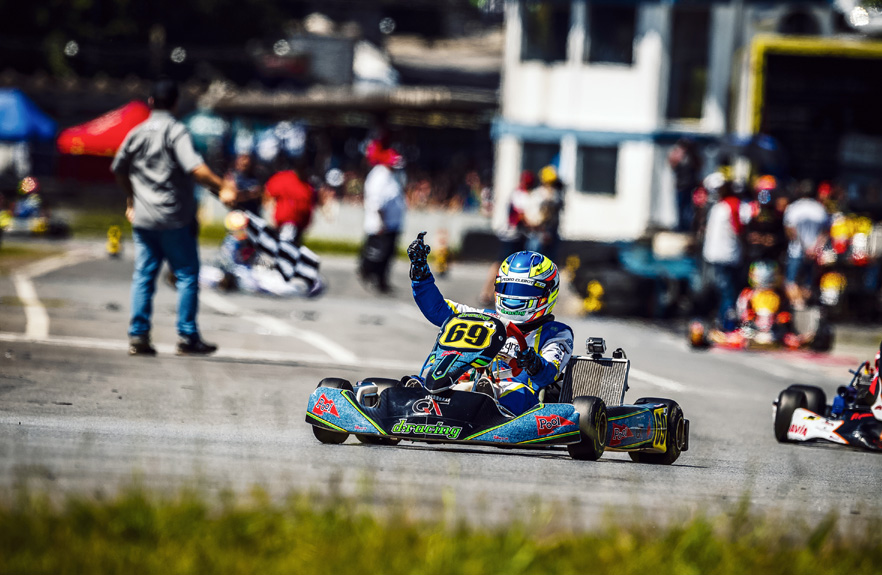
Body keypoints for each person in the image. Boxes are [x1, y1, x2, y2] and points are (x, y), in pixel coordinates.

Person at [112, 78, 238, 357]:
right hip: (173, 218)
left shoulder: (138, 131)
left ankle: (138, 334)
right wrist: (222, 187)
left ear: (150, 102)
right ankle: (187, 335)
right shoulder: (176, 130)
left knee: (144, 276)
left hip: (143, 217)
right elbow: (196, 168)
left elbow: (119, 167)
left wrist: (131, 198)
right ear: (176, 103)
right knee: (187, 275)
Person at [407, 232, 574, 416]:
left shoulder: (557, 333)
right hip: (469, 382)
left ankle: (486, 395)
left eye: (523, 290)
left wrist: (533, 363)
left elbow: (548, 374)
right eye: (507, 288)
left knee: (512, 391)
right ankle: (423, 392)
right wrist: (420, 276)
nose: (513, 296)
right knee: (444, 377)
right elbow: (437, 309)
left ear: (547, 293)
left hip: (521, 397)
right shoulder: (484, 318)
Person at [478, 169, 534, 306]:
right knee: (501, 264)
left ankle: (493, 294)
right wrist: (535, 226)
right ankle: (486, 293)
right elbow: (521, 216)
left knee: (506, 267)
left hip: (514, 235)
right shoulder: (521, 195)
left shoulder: (517, 193)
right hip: (512, 235)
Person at [359, 137, 406, 294]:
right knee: (377, 255)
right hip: (382, 224)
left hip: (391, 223)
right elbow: (377, 201)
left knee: (387, 256)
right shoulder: (380, 175)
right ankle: (374, 278)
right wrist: (381, 223)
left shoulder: (390, 175)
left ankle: (381, 279)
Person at [702, 178, 743, 331]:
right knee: (728, 291)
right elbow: (738, 229)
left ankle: (721, 321)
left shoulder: (717, 207)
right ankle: (727, 325)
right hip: (728, 254)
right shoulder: (731, 205)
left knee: (722, 290)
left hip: (714, 253)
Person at [783, 180, 830, 309]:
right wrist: (815, 247)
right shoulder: (820, 209)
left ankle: (799, 306)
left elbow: (790, 231)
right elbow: (825, 232)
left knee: (791, 281)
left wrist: (803, 246)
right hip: (813, 252)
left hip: (796, 251)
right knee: (808, 282)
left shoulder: (793, 207)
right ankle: (805, 308)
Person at [263, 159, 317, 247]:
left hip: (300, 224)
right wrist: (268, 209)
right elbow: (268, 192)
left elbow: (311, 204)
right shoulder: (284, 178)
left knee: (293, 248)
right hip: (286, 222)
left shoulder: (308, 185)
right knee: (286, 247)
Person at [523, 165, 564, 263]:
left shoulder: (555, 196)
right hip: (537, 233)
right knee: (533, 262)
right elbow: (530, 215)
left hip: (549, 232)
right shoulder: (538, 195)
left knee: (546, 263)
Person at [668, 138, 703, 232]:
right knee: (681, 207)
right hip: (681, 186)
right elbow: (672, 165)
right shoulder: (679, 155)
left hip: (689, 185)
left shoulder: (693, 156)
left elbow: (698, 167)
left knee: (689, 207)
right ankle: (681, 226)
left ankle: (687, 226)